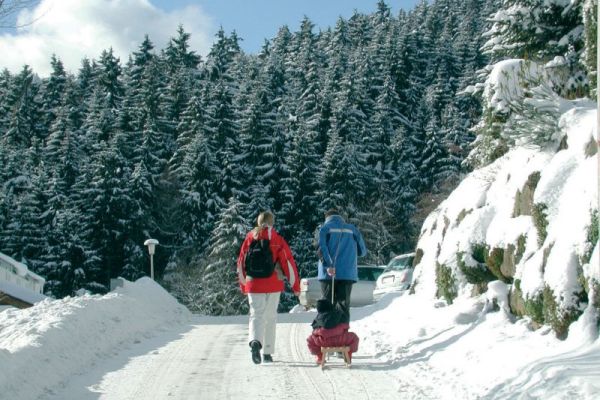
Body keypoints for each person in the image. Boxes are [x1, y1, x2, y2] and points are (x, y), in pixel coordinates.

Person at [237, 211, 300, 364]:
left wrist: (244, 285)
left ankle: (255, 343)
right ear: (272, 223)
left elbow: (240, 263)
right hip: (273, 284)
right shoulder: (277, 239)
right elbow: (288, 263)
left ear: (258, 222)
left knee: (256, 315)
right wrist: (296, 287)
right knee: (270, 318)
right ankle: (267, 352)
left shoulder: (250, 238)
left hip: (253, 283)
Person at [317, 209, 367, 323]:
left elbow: (321, 249)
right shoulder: (352, 229)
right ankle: (343, 334)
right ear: (340, 217)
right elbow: (363, 252)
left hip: (328, 275)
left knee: (327, 306)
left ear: (326, 218)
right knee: (344, 306)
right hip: (347, 274)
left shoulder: (324, 229)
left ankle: (327, 335)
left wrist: (329, 265)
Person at [306, 298, 359, 364]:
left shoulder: (318, 318)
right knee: (354, 337)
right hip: (341, 340)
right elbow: (346, 326)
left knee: (310, 340)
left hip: (323, 341)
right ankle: (348, 353)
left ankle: (320, 357)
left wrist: (317, 333)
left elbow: (314, 330)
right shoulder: (337, 313)